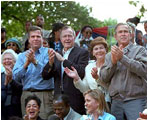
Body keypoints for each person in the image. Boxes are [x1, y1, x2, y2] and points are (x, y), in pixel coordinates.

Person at [99, 23, 147, 120]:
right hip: (116, 102)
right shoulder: (109, 55)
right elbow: (103, 78)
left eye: (126, 31)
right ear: (115, 36)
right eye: (120, 32)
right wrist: (113, 62)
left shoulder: (140, 50)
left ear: (130, 35)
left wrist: (122, 58)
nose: (123, 34)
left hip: (136, 100)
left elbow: (144, 70)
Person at [42, 26, 89, 115]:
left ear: (74, 38)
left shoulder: (82, 52)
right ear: (60, 38)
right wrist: (50, 63)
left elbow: (81, 72)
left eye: (69, 36)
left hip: (75, 97)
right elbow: (45, 76)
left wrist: (64, 61)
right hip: (58, 98)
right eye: (64, 36)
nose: (67, 38)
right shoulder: (57, 54)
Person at [13, 26, 54, 119]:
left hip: (44, 95)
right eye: (33, 36)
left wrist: (35, 62)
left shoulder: (49, 53)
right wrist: (26, 64)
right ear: (29, 39)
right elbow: (15, 77)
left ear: (42, 38)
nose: (36, 39)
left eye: (38, 36)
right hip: (26, 94)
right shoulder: (22, 56)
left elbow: (48, 72)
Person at [64, 37, 111, 106]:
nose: (99, 51)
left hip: (107, 102)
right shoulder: (89, 67)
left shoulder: (111, 65)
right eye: (96, 49)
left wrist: (97, 78)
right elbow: (85, 89)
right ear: (92, 53)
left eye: (101, 48)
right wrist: (77, 78)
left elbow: (111, 87)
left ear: (106, 50)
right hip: (93, 104)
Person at [1, 49, 22, 119]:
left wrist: (11, 81)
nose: (7, 61)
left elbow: (22, 88)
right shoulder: (1, 74)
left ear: (15, 61)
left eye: (9, 59)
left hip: (15, 106)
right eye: (5, 59)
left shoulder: (19, 73)